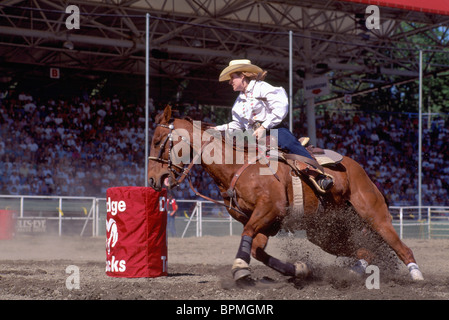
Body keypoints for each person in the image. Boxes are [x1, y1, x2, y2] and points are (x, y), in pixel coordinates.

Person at [213, 59, 333, 192]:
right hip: (254, 137)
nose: (230, 82)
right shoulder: (238, 102)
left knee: (288, 143)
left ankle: (319, 175)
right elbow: (237, 124)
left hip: (274, 130)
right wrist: (218, 128)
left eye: (232, 78)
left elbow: (281, 107)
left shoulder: (262, 87)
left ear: (242, 76)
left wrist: (264, 126)